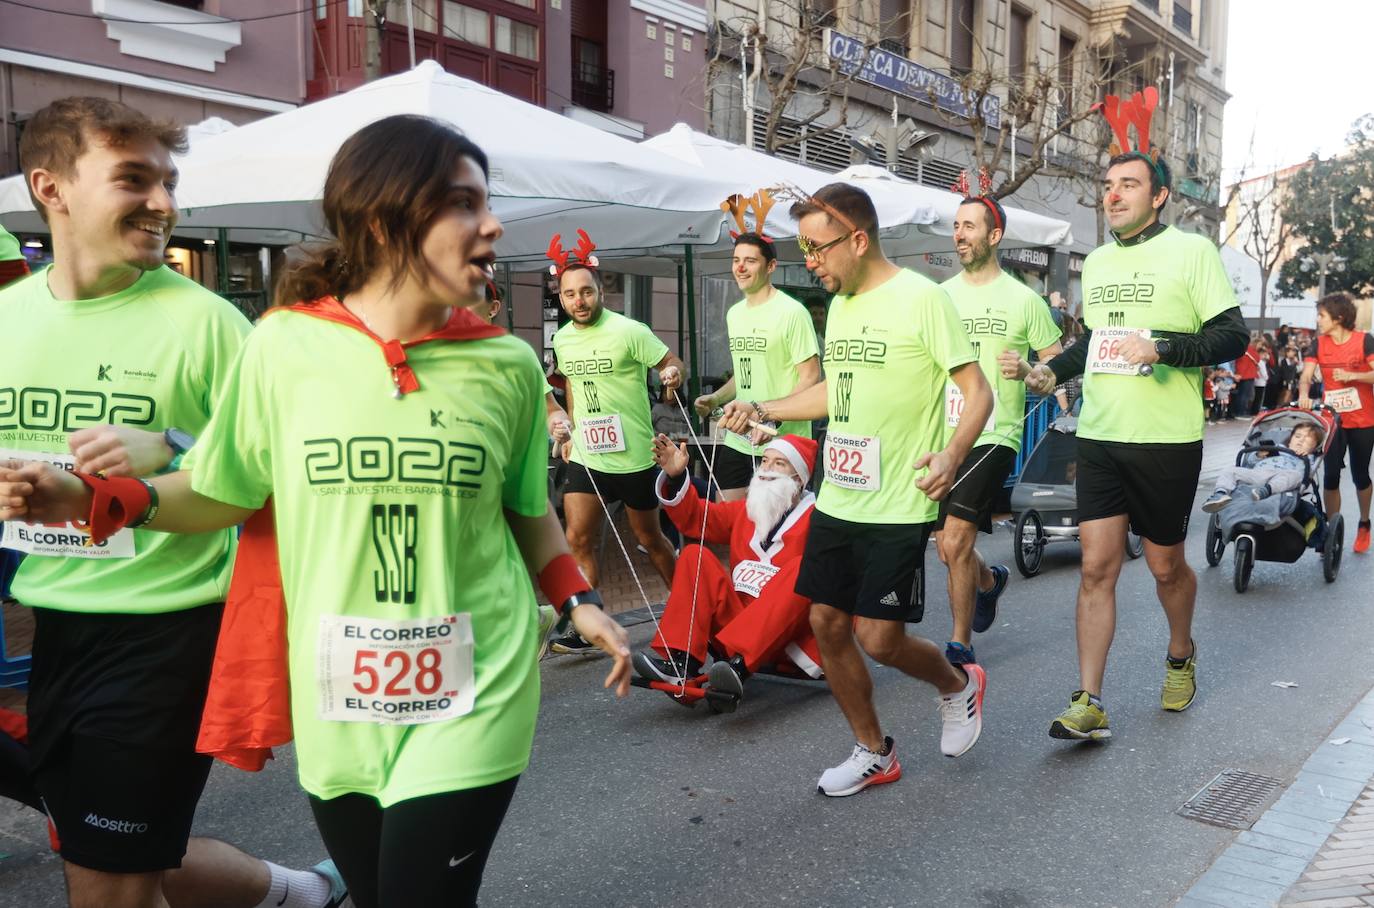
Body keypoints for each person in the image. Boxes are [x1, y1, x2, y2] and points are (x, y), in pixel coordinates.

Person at [1, 114, 632, 908]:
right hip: (337, 696)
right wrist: (101, 500)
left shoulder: (506, 364)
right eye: (465, 204)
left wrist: (580, 599)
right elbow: (224, 489)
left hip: (477, 687)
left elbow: (526, 509)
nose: (493, 223)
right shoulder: (281, 347)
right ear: (385, 220)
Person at [0, 97, 346, 908]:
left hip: (170, 633)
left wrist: (163, 460)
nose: (164, 204)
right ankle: (295, 895)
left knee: (107, 884)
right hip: (55, 622)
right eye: (134, 180)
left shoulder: (212, 327)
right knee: (100, 849)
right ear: (50, 188)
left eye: (167, 182)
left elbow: (280, 480)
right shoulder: (5, 317)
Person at [719, 183, 992, 796]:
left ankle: (958, 684)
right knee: (825, 621)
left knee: (878, 637)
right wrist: (760, 404)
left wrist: (953, 452)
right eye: (803, 248)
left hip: (898, 501)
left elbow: (979, 392)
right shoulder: (839, 307)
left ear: (859, 239)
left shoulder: (922, 299)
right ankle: (873, 749)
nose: (809, 261)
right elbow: (829, 394)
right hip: (839, 494)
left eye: (816, 248)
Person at [1025, 140, 1248, 740]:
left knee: (1165, 565)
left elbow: (1233, 337)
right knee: (1096, 567)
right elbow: (1094, 341)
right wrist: (1051, 373)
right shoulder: (1097, 262)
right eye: (1109, 185)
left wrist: (1165, 348)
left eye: (1128, 184)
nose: (1114, 194)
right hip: (1100, 435)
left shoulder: (1192, 252)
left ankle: (1180, 653)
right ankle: (1089, 700)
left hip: (1166, 439)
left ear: (1160, 196)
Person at [936, 194, 1062, 667]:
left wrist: (1030, 369)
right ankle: (988, 581)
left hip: (995, 432)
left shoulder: (1025, 300)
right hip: (942, 433)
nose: (960, 234)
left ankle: (959, 643)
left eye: (969, 226)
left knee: (954, 541)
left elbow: (1055, 374)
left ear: (994, 236)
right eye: (956, 225)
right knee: (950, 551)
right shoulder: (940, 295)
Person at [547, 239, 685, 655]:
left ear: (600, 291)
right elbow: (570, 384)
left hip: (635, 459)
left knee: (651, 538)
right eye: (570, 294)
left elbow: (670, 362)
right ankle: (586, 622)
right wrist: (569, 431)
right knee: (578, 537)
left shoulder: (630, 331)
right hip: (588, 455)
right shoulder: (564, 340)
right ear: (562, 297)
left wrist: (674, 374)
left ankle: (689, 605)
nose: (579, 300)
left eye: (586, 291)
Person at [633, 433, 824, 704]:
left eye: (780, 463)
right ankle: (680, 662)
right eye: (765, 460)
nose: (767, 469)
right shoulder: (747, 510)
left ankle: (740, 665)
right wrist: (676, 477)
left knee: (807, 567)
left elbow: (843, 582)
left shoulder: (820, 520)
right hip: (734, 631)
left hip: (787, 640)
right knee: (693, 555)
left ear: (799, 478)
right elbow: (697, 520)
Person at [692, 231, 820, 501]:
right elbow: (744, 372)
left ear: (771, 266)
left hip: (781, 441)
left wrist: (771, 415)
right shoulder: (735, 313)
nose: (740, 267)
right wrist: (715, 397)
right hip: (738, 438)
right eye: (736, 259)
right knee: (730, 521)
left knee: (776, 530)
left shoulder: (792, 312)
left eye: (750, 261)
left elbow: (810, 378)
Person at [1298, 292, 1374, 554]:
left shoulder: (1365, 341)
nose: (1318, 320)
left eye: (1322, 315)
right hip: (1333, 422)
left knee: (1360, 475)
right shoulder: (1318, 344)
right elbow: (1306, 375)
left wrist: (1353, 374)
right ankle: (1331, 532)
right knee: (1330, 477)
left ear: (1339, 318)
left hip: (1363, 420)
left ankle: (1364, 523)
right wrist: (1303, 395)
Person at [1201, 423, 1323, 512]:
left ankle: (1265, 491)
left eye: (1307, 439)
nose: (1301, 440)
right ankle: (1220, 493)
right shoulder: (1276, 447)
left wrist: (1306, 458)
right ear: (1290, 439)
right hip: (1259, 473)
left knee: (1295, 476)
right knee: (1230, 470)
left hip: (1280, 480)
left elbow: (1305, 477)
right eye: (1297, 436)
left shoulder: (1308, 460)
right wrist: (1258, 455)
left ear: (1315, 446)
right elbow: (1249, 462)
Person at [1234, 335, 1260, 417]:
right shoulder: (1249, 350)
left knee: (1242, 395)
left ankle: (1240, 411)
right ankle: (1241, 412)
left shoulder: (1243, 349)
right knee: (1245, 395)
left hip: (1244, 375)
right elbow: (1257, 358)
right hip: (1247, 375)